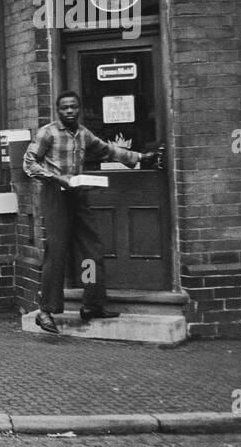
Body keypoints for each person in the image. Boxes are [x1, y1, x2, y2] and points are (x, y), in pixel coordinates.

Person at [23, 91, 163, 334]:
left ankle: (92, 304)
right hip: (55, 195)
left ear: (79, 109)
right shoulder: (47, 132)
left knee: (92, 250)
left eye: (73, 107)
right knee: (56, 252)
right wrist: (57, 178)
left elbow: (108, 151)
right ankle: (46, 311)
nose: (69, 111)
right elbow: (29, 163)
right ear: (58, 110)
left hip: (78, 194)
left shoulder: (84, 134)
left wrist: (141, 158)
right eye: (65, 107)